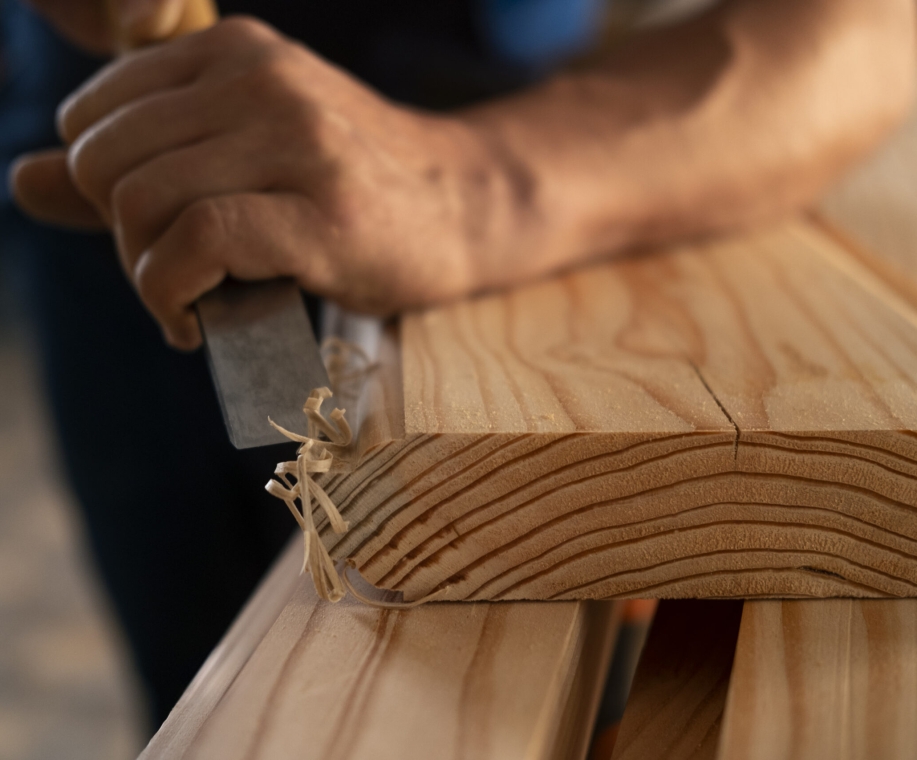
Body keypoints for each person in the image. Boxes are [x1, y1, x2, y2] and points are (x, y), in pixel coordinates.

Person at [4, 0, 914, 731]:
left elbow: (871, 25)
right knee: (204, 686)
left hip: (509, 121)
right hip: (143, 157)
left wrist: (481, 183)